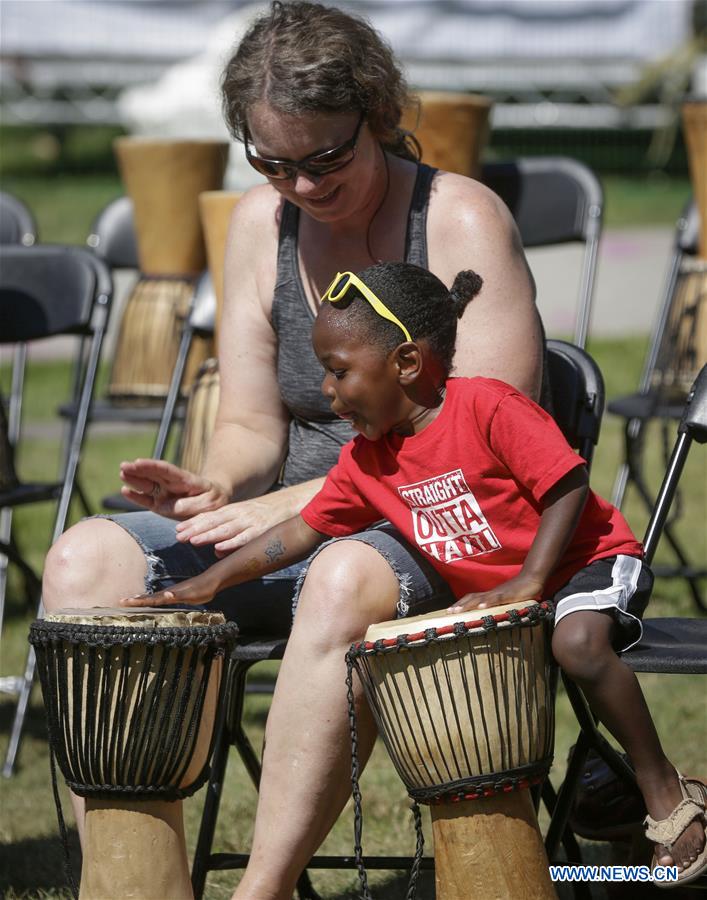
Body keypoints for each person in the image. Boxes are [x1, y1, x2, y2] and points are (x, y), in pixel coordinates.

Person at [42, 0, 543, 889]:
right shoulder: (257, 225)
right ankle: (130, 882)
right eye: (273, 163)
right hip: (293, 523)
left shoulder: (461, 221)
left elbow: (483, 448)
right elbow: (250, 423)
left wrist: (305, 504)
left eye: (325, 159)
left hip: (434, 528)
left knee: (344, 571)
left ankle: (260, 888)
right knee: (84, 560)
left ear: (376, 116)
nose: (303, 188)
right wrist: (215, 481)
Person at [123, 262, 707, 889]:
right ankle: (594, 792)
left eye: (340, 369)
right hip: (515, 591)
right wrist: (209, 582)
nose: (326, 389)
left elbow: (567, 484)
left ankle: (669, 796)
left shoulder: (486, 405)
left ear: (406, 362)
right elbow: (299, 532)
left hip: (587, 561)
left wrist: (531, 580)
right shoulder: (369, 460)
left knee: (578, 643)